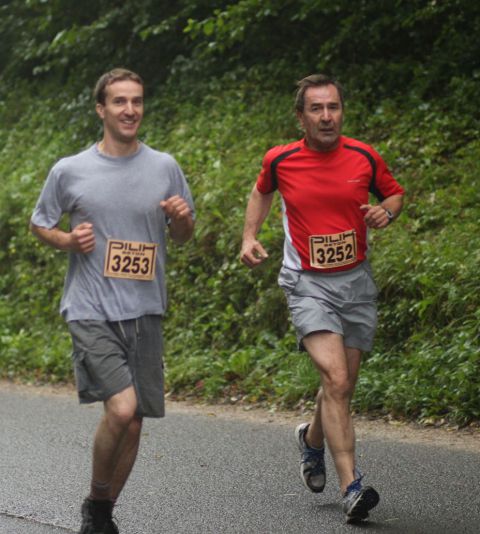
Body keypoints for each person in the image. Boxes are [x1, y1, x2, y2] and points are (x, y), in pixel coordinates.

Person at [30, 68, 195, 534]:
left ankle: (100, 509)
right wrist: (66, 240)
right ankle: (98, 501)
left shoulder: (164, 167)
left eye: (136, 101)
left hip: (145, 309)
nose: (129, 110)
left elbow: (183, 236)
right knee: (121, 409)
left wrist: (181, 219)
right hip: (90, 307)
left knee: (135, 422)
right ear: (101, 109)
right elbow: (40, 222)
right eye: (119, 101)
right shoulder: (70, 169)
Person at [240, 74, 404, 523]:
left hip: (355, 283)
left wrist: (385, 212)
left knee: (342, 384)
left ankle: (311, 441)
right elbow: (261, 191)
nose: (327, 116)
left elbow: (393, 193)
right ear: (301, 116)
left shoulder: (364, 155)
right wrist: (249, 236)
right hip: (307, 282)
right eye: (317, 108)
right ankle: (353, 487)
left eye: (333, 107)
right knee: (335, 378)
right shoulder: (282, 159)